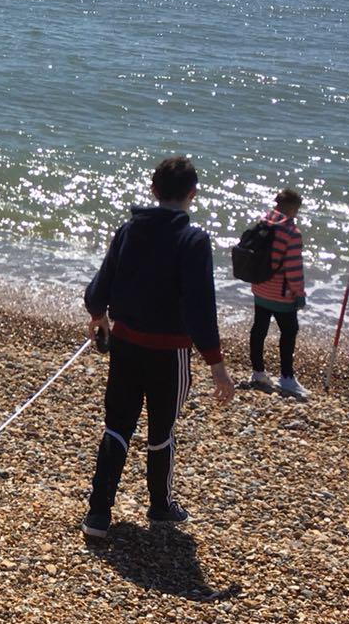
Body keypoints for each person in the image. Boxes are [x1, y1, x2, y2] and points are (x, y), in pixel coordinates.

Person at [81, 155, 234, 539]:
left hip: (127, 346)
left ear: (153, 190)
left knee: (117, 427)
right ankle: (160, 504)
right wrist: (216, 364)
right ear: (192, 194)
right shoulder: (193, 239)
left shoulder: (130, 229)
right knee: (161, 430)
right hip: (170, 353)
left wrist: (98, 314)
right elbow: (201, 306)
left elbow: (103, 282)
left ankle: (98, 513)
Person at [248, 188, 309, 398]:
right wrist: (299, 293)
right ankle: (286, 377)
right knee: (289, 331)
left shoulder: (263, 222)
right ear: (293, 207)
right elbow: (293, 268)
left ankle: (257, 371)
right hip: (281, 293)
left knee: (259, 329)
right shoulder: (292, 232)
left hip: (260, 286)